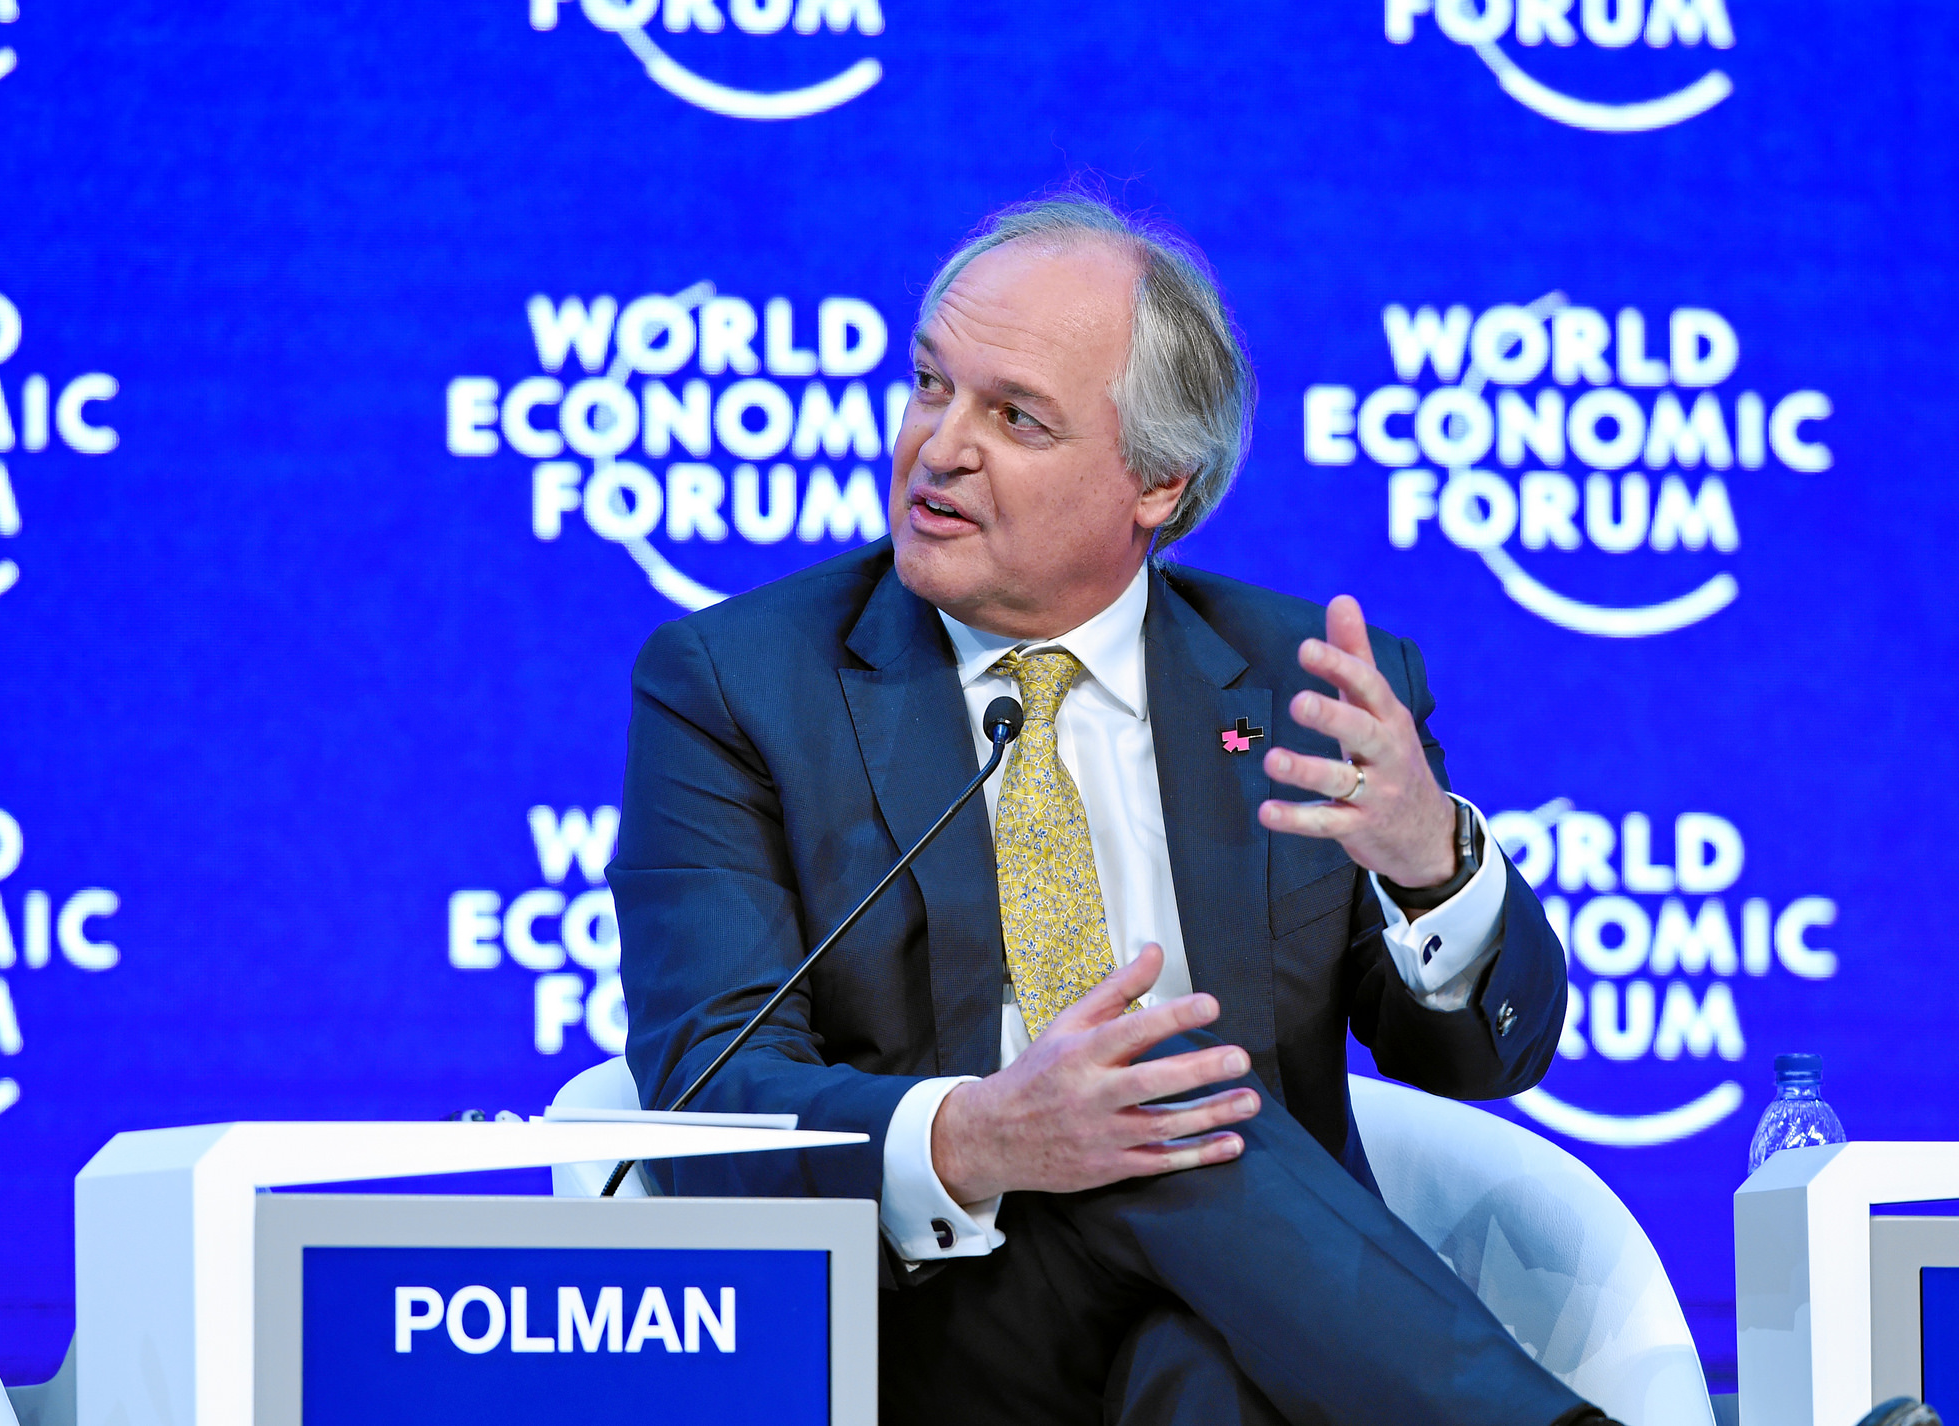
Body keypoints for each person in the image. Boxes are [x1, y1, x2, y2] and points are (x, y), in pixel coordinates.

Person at [610, 195, 1607, 1426]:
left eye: (1013, 417)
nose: (938, 447)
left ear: (1156, 483)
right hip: (928, 1324)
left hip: (1244, 1317)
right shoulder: (741, 685)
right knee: (1173, 1104)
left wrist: (1429, 866)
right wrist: (981, 1133)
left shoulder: (1302, 685)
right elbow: (707, 1097)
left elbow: (1484, 1056)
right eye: (929, 385)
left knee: (1200, 1366)